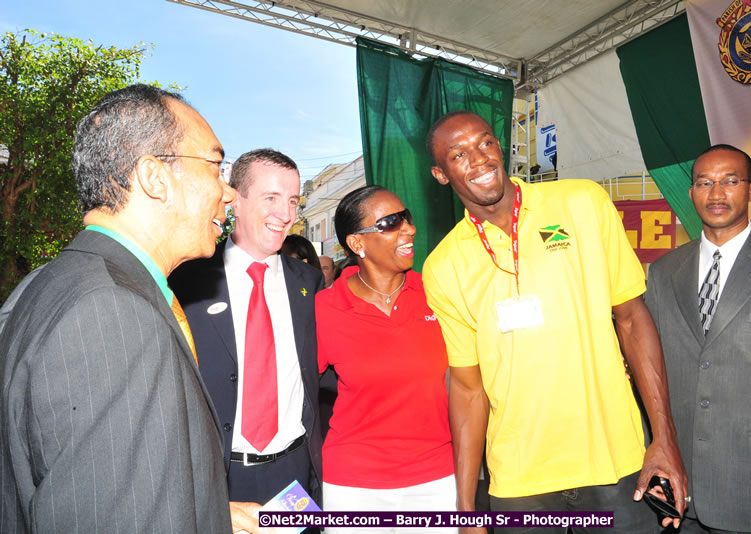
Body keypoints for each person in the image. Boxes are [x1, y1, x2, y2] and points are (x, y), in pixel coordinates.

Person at [422, 110, 687, 533]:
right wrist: (466, 504)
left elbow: (632, 319)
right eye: (459, 154)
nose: (479, 159)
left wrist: (664, 438)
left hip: (614, 463)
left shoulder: (582, 202)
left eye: (485, 142)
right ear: (441, 174)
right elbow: (468, 389)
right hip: (520, 479)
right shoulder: (443, 266)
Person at [0, 84, 235, 533]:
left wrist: (210, 514)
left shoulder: (47, 283)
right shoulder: (112, 314)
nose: (228, 192)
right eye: (215, 167)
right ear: (155, 177)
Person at [644, 145, 751, 533]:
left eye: (730, 181)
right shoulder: (663, 272)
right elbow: (651, 377)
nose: (716, 193)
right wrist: (654, 462)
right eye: (705, 183)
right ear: (691, 193)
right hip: (679, 494)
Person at [169, 148, 324, 534]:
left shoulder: (308, 282)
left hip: (295, 473)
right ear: (234, 200)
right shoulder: (187, 282)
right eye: (271, 198)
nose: (285, 214)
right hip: (219, 478)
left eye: (293, 201)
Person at [316, 185, 456, 533]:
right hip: (352, 486)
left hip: (435, 478)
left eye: (406, 218)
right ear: (357, 243)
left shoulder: (436, 293)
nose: (409, 229)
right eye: (390, 222)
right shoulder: (325, 308)